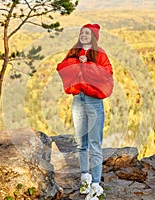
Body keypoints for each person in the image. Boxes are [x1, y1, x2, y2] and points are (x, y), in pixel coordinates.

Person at [56, 23, 114, 199]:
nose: (83, 35)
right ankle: (85, 177)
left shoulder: (100, 54)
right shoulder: (74, 52)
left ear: (94, 36)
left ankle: (96, 184)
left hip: (94, 101)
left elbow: (107, 75)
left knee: (95, 144)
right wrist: (77, 62)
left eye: (87, 33)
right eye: (82, 32)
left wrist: (87, 64)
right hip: (78, 100)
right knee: (82, 143)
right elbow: (62, 68)